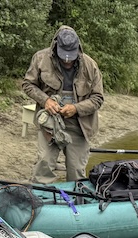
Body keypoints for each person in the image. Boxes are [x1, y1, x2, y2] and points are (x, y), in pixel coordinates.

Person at [22, 26, 104, 183]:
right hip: (49, 123)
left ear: (78, 48)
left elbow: (98, 98)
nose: (67, 60)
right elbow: (28, 85)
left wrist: (76, 108)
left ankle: (76, 205)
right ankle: (40, 201)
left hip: (79, 125)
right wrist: (45, 100)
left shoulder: (90, 66)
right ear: (55, 47)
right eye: (63, 56)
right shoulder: (40, 59)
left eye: (70, 56)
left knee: (76, 172)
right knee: (43, 165)